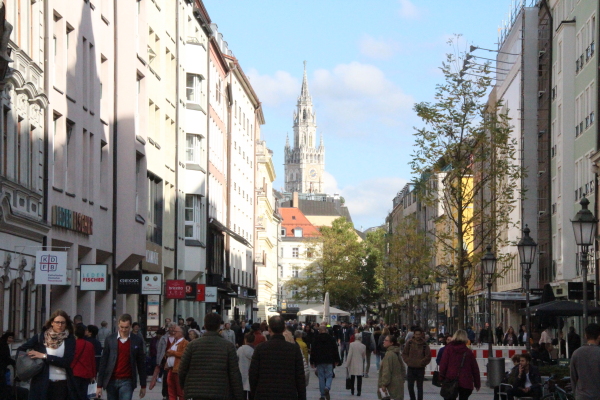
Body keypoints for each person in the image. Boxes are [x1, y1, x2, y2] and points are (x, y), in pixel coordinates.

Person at [177, 313, 244, 400]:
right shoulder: (228, 346)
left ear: (205, 325)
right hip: (220, 392)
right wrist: (239, 395)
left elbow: (182, 369)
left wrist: (185, 387)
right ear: (220, 326)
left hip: (196, 393)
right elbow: (234, 374)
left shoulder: (192, 345)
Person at [17, 309, 77, 400]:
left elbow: (66, 362)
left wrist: (44, 356)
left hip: (62, 383)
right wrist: (27, 361)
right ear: (52, 323)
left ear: (66, 324)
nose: (60, 325)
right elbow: (21, 349)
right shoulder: (41, 337)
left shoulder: (69, 339)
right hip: (41, 381)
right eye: (57, 322)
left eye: (63, 323)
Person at [248, 315, 306, 400]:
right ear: (284, 329)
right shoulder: (294, 349)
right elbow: (300, 377)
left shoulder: (260, 348)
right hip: (288, 394)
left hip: (264, 393)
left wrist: (254, 394)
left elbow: (253, 374)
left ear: (269, 329)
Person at [96, 313, 147, 400]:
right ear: (118, 325)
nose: (123, 329)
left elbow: (140, 363)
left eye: (126, 327)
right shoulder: (110, 339)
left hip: (127, 381)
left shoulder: (136, 340)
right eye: (121, 327)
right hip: (111, 380)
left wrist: (143, 385)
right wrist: (99, 385)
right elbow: (103, 362)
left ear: (130, 326)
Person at [439, 330, 481, 400]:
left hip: (450, 379)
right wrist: (477, 383)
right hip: (466, 381)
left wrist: (441, 377)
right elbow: (474, 368)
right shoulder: (468, 352)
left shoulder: (448, 349)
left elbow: (443, 364)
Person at [570, 323, 600, 400]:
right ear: (599, 337)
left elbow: (573, 377)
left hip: (581, 395)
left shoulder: (576, 353)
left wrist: (576, 394)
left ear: (585, 336)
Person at [310, 325, 341, 400]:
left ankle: (322, 395)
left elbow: (313, 351)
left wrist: (312, 361)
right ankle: (327, 387)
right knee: (329, 375)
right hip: (329, 360)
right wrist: (337, 360)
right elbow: (335, 350)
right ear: (326, 330)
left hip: (319, 360)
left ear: (319, 331)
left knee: (321, 377)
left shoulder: (316, 339)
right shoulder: (332, 339)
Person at [401, 326, 431, 400]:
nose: (417, 336)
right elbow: (404, 353)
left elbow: (428, 356)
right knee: (410, 386)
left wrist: (422, 362)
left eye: (419, 334)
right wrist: (408, 361)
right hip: (411, 368)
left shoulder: (424, 344)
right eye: (416, 334)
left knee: (419, 387)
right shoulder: (410, 343)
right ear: (413, 334)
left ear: (421, 335)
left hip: (420, 368)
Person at [71, 324, 97, 400]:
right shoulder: (89, 345)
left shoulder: (73, 344)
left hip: (74, 373)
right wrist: (93, 375)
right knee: (84, 395)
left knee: (74, 395)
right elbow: (92, 361)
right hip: (86, 374)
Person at [377, 335, 405, 400]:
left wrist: (384, 384)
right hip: (397, 383)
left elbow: (387, 371)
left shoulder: (389, 354)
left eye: (386, 340)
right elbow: (403, 368)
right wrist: (402, 379)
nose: (384, 342)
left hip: (391, 385)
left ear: (391, 343)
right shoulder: (396, 352)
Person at [165, 325, 188, 400]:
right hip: (171, 369)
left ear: (181, 333)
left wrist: (172, 352)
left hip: (178, 370)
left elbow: (184, 354)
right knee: (171, 392)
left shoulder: (185, 343)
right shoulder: (174, 342)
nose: (173, 332)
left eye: (176, 331)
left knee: (180, 392)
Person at [346, 331, 366, 396]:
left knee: (352, 377)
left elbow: (349, 355)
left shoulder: (352, 345)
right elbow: (363, 356)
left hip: (353, 363)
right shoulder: (363, 346)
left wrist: (347, 364)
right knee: (359, 378)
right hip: (360, 362)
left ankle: (352, 390)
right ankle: (359, 391)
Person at [237, 333, 255, 399]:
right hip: (251, 377)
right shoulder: (255, 351)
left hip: (241, 375)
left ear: (245, 339)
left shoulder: (240, 350)